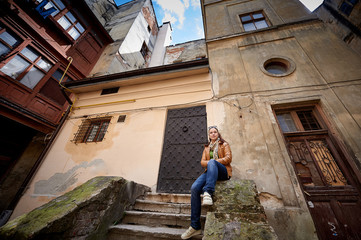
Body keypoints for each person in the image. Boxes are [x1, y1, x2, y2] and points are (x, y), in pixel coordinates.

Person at [181, 126, 232, 239]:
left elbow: (228, 159)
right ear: (209, 135)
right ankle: (195, 226)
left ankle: (208, 192)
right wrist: (211, 163)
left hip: (223, 171)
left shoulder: (224, 144)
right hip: (210, 172)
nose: (213, 134)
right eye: (211, 133)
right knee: (194, 188)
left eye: (215, 132)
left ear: (218, 134)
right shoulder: (206, 148)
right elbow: (202, 162)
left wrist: (213, 162)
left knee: (212, 162)